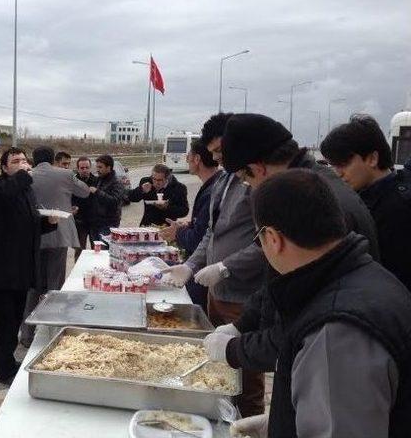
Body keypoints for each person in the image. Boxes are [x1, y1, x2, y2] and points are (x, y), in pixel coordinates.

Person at [230, 169, 411, 438]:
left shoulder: (335, 330)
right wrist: (284, 420)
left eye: (259, 239)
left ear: (273, 239)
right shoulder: (369, 277)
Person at [202, 113, 380, 377]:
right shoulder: (303, 185)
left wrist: (237, 350)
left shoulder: (314, 200)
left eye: (246, 179)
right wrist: (244, 324)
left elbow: (305, 321)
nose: (250, 188)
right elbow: (282, 282)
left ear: (258, 168)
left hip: (334, 368)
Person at [162, 113, 266, 417]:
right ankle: (221, 417)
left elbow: (265, 243)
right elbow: (212, 231)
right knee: (219, 368)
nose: (217, 158)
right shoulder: (223, 181)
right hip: (216, 293)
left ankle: (247, 424)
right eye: (215, 153)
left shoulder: (256, 184)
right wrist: (192, 266)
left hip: (244, 297)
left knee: (246, 380)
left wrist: (225, 266)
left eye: (220, 151)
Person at [0, 147, 58, 385]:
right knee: (4, 321)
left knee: (14, 318)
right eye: (16, 161)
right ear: (4, 167)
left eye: (25, 160)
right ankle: (4, 369)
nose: (23, 164)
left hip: (21, 266)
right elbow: (2, 199)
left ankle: (0, 360)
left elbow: (26, 224)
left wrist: (49, 223)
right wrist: (23, 177)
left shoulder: (25, 190)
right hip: (2, 268)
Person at [321, 114, 411, 290]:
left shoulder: (399, 209)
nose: (337, 173)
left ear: (372, 159)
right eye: (333, 165)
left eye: (344, 163)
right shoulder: (359, 198)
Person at [20, 146, 89, 346]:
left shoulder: (26, 176)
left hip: (34, 237)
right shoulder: (65, 174)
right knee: (55, 286)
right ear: (52, 159)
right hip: (58, 235)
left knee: (33, 287)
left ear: (33, 158)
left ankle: (27, 334)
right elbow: (84, 192)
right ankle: (54, 335)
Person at [160, 139, 222, 308]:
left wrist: (177, 234)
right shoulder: (213, 185)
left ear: (196, 159)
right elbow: (205, 225)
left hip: (201, 269)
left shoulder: (213, 190)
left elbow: (199, 238)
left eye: (188, 155)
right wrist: (189, 225)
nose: (186, 159)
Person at [89, 154, 126, 241]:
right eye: (97, 167)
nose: (97, 170)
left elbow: (114, 201)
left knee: (104, 250)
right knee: (96, 251)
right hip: (95, 223)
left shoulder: (116, 183)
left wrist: (97, 192)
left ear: (109, 167)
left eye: (100, 167)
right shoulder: (98, 180)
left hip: (109, 223)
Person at [72, 156, 98, 260]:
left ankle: (95, 273)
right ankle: (78, 273)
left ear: (90, 168)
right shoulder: (72, 181)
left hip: (94, 222)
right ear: (78, 168)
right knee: (79, 250)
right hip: (79, 222)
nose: (85, 170)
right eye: (82, 168)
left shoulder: (97, 181)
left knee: (96, 250)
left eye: (87, 167)